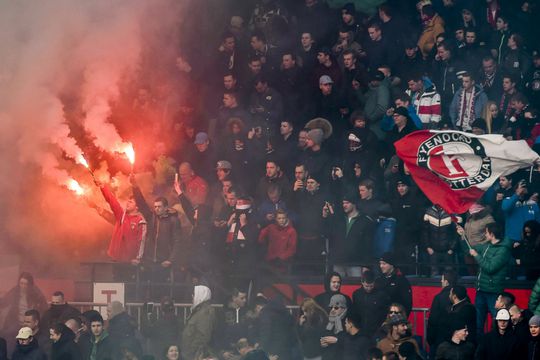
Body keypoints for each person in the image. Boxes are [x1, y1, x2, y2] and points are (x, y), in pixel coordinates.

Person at [469, 222, 511, 338]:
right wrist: (463, 236)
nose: (485, 234)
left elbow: (490, 268)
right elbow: (471, 247)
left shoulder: (503, 250)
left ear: (492, 234)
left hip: (493, 292)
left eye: (486, 232)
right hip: (481, 289)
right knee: (478, 324)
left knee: (497, 322)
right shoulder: (487, 245)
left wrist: (476, 256)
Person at [95, 179, 147, 265]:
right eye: (128, 201)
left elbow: (141, 241)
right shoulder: (121, 216)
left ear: (137, 207)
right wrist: (103, 187)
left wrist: (138, 258)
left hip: (130, 261)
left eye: (131, 202)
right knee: (117, 278)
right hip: (116, 259)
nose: (128, 203)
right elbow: (112, 201)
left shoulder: (140, 221)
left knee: (128, 278)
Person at [0, 272, 47, 338]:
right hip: (16, 323)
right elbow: (4, 302)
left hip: (31, 325)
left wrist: (37, 323)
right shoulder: (15, 291)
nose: (23, 286)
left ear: (30, 284)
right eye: (21, 283)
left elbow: (44, 309)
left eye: (26, 284)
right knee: (4, 334)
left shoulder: (36, 294)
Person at [181, 285, 217, 360]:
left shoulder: (205, 312)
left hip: (195, 355)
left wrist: (191, 350)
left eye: (194, 294)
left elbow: (203, 336)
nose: (192, 296)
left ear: (201, 295)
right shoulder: (199, 311)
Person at [427, 270, 458, 354]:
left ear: (446, 282)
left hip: (439, 340)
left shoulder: (438, 298)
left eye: (442, 279)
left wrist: (430, 339)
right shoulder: (463, 297)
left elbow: (433, 320)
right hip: (457, 340)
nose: (441, 281)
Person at [351, 270, 390, 336]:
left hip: (377, 331)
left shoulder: (381, 295)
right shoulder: (356, 294)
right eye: (366, 286)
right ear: (362, 282)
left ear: (374, 282)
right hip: (360, 330)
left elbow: (385, 312)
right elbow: (355, 313)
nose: (369, 288)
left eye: (371, 286)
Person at [321, 294, 348, 360]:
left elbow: (353, 343)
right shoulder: (328, 321)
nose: (332, 310)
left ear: (343, 308)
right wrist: (322, 343)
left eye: (336, 308)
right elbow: (322, 337)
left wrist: (337, 340)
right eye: (331, 307)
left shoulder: (348, 322)